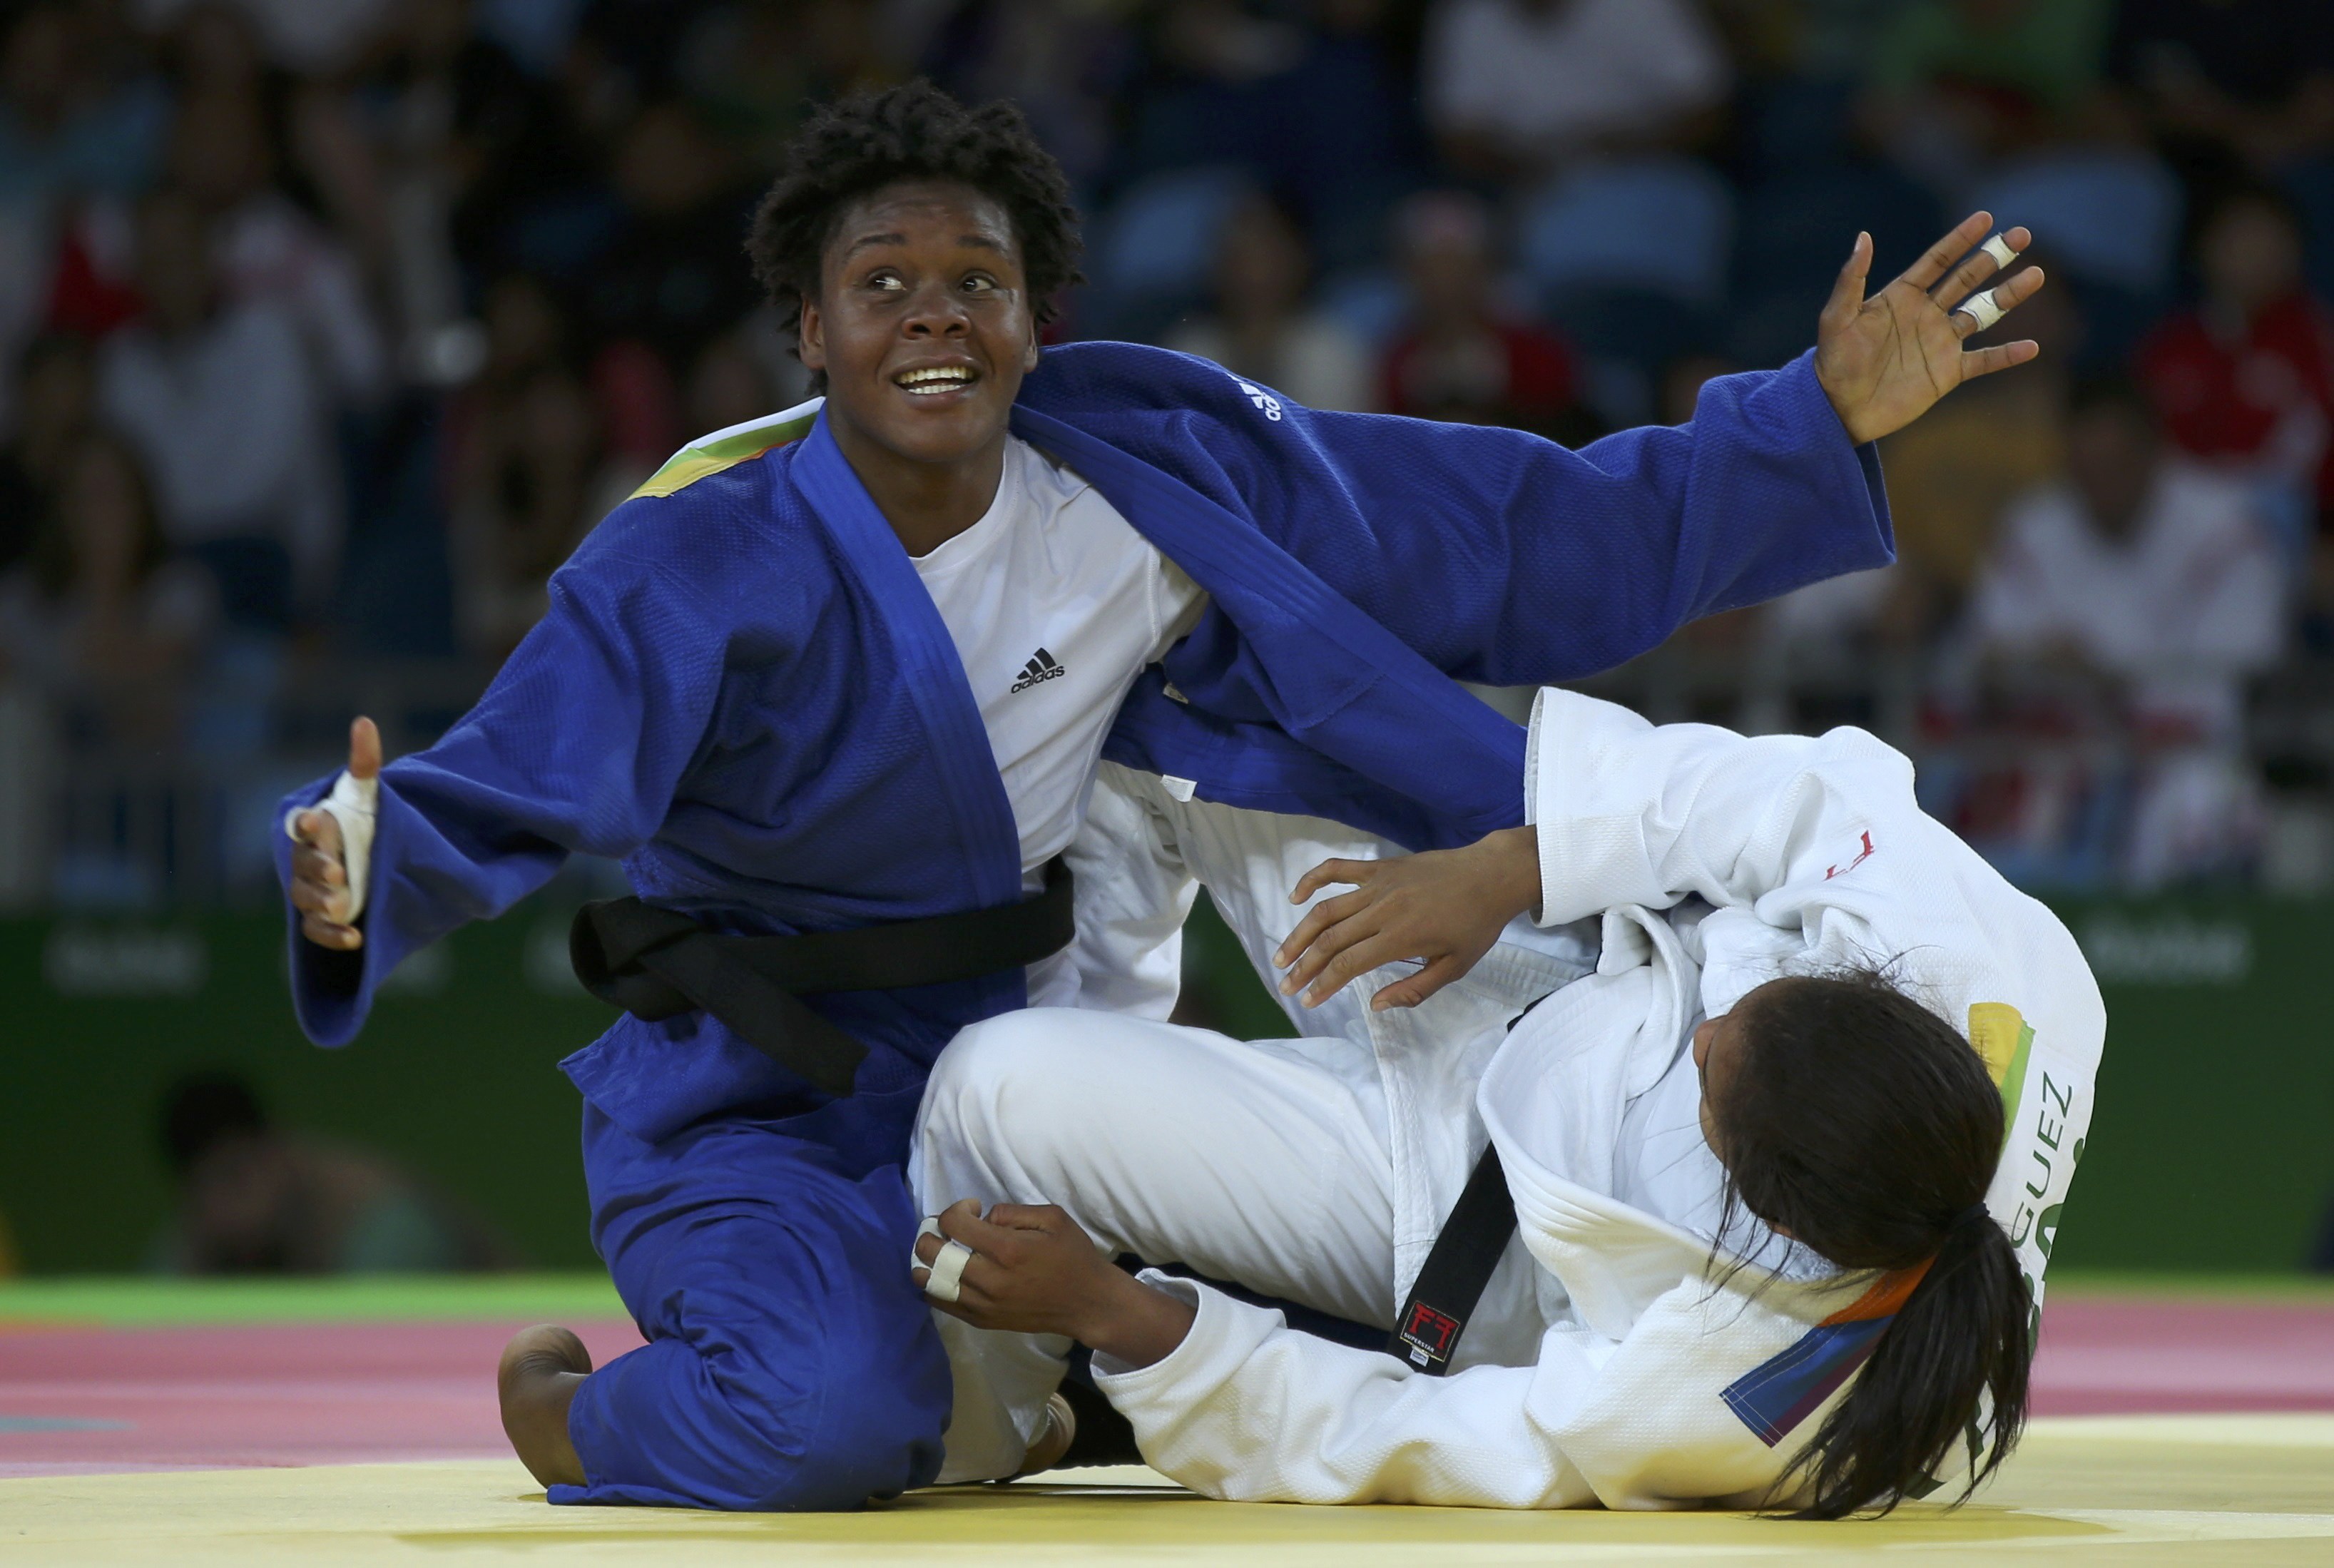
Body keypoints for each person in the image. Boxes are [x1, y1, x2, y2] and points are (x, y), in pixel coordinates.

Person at [277, 82, 2046, 1512]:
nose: (932, 319)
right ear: (806, 329)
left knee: (1247, 758)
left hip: (1023, 1027)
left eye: (973, 281)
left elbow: (1514, 532)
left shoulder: (1156, 465)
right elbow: (526, 769)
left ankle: (1066, 1378)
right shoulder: (699, 553)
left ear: (1039, 320)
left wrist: (1805, 429)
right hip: (759, 1085)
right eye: (880, 287)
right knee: (831, 1425)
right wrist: (378, 861)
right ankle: (593, 1427)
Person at [909, 687, 2104, 1515]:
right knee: (1201, 734)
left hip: (1456, 1218)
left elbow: (1417, 1440)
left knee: (992, 1089)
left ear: (1762, 1214)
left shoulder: (1744, 1385)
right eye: (1745, 1010)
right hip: (1561, 961)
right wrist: (1509, 870)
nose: (1704, 1043)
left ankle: (978, 1434)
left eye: (1707, 1076)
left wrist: (1122, 1315)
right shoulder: (1989, 971)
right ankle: (1100, 1112)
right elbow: (1775, 798)